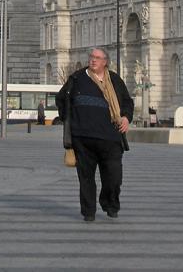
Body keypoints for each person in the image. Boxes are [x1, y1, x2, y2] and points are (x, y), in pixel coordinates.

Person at [56, 47, 134, 222]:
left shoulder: (114, 80)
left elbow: (128, 102)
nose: (93, 60)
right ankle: (88, 211)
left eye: (98, 58)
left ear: (105, 61)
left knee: (114, 176)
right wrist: (70, 120)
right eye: (92, 57)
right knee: (86, 178)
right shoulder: (77, 78)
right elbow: (61, 99)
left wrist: (126, 118)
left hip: (111, 137)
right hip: (83, 138)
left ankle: (110, 203)